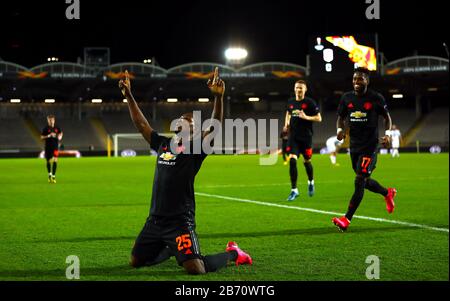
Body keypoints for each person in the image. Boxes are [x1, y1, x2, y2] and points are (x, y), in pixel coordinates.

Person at [118, 68, 252, 274]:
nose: (184, 122)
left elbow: (215, 125)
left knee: (196, 269)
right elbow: (141, 123)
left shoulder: (196, 149)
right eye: (182, 119)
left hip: (179, 222)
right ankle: (172, 249)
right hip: (154, 220)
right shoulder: (163, 144)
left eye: (190, 122)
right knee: (135, 262)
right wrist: (129, 96)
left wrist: (218, 97)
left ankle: (234, 253)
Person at [332, 67, 397, 231]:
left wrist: (388, 134)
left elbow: (386, 117)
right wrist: (339, 131)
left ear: (367, 81)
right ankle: (387, 193)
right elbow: (340, 117)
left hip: (370, 146)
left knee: (359, 180)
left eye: (360, 79)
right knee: (364, 181)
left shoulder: (376, 98)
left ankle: (346, 219)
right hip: (354, 146)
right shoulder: (347, 98)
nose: (356, 82)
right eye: (354, 79)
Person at [283, 80, 322, 201]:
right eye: (297, 88)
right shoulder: (290, 102)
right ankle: (294, 190)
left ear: (305, 90)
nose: (298, 90)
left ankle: (311, 182)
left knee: (307, 161)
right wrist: (286, 125)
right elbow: (288, 113)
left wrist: (306, 117)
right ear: (294, 89)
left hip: (306, 137)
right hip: (293, 137)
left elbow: (319, 118)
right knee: (292, 161)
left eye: (301, 88)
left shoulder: (309, 103)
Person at [40, 115, 63, 183]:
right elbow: (41, 137)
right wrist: (48, 136)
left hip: (55, 147)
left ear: (54, 120)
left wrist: (60, 136)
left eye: (52, 120)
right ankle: (49, 174)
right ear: (48, 120)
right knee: (48, 161)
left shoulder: (57, 127)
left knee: (55, 160)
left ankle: (53, 176)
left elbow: (61, 132)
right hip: (48, 147)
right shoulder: (46, 128)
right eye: (49, 120)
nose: (50, 121)